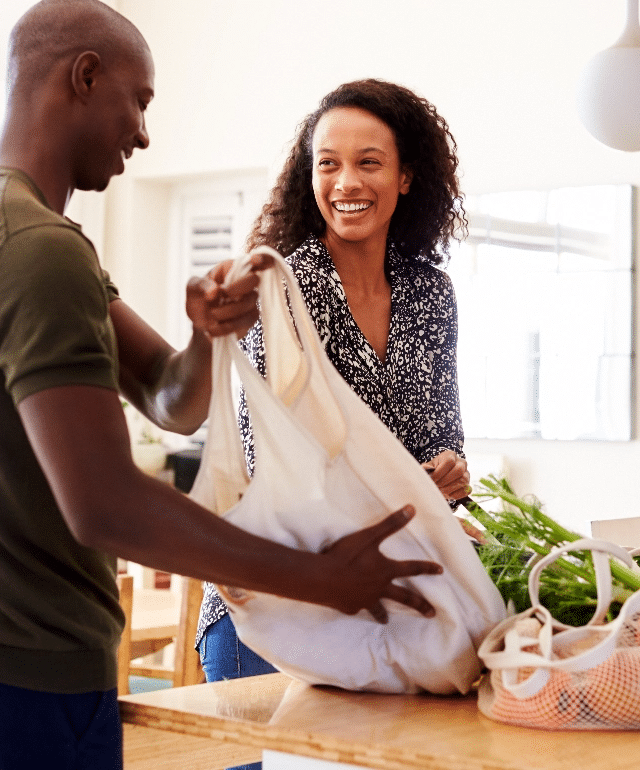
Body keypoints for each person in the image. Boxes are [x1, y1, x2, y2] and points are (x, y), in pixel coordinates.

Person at [0, 5, 443, 769]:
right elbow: (105, 505)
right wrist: (317, 579)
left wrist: (210, 337)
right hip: (32, 670)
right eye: (138, 101)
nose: (142, 132)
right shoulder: (40, 250)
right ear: (84, 76)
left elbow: (174, 403)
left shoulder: (50, 245)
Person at [197, 79, 474, 718]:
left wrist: (448, 469)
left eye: (368, 162)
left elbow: (439, 436)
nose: (345, 181)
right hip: (275, 606)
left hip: (382, 607)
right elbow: (279, 465)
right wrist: (402, 485)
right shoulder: (281, 289)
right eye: (328, 164)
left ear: (406, 177)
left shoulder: (430, 294)